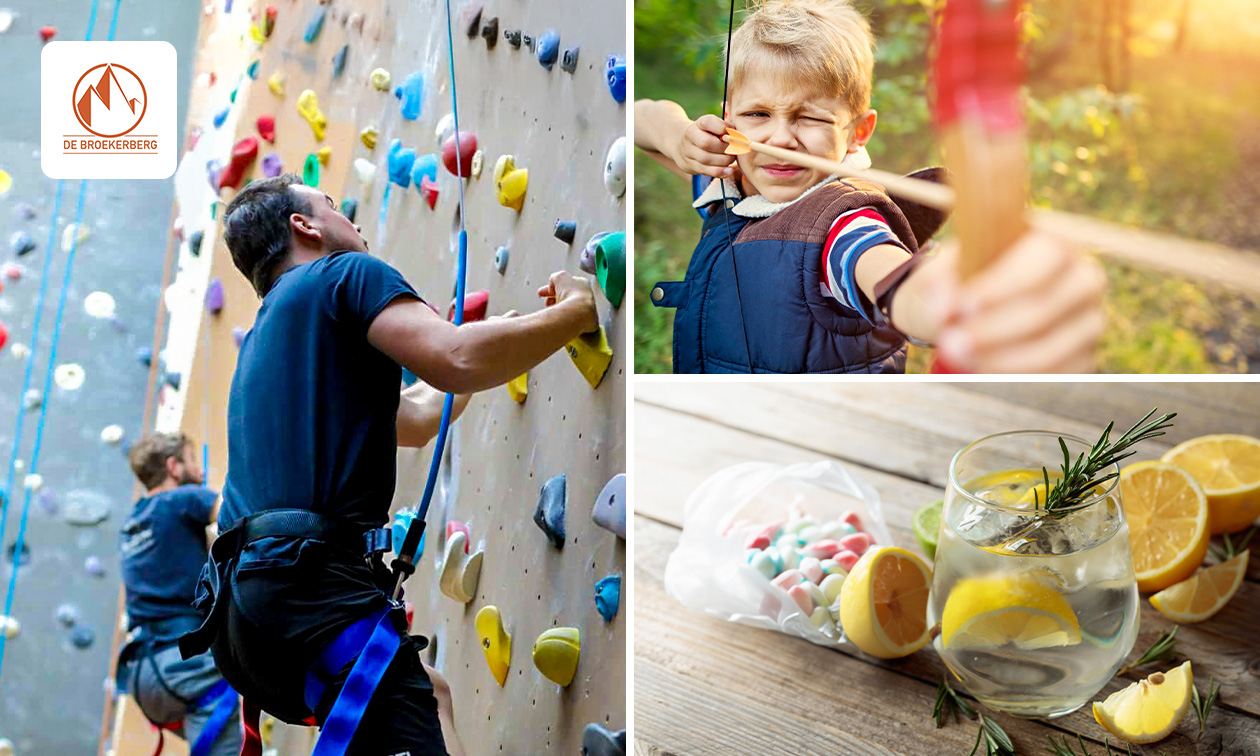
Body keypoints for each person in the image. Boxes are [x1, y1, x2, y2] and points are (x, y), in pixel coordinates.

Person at [178, 172, 599, 756]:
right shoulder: (342, 276)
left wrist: (504, 334)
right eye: (330, 205)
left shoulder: (270, 341)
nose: (350, 219)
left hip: (247, 629)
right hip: (307, 591)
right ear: (306, 225)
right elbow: (454, 360)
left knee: (432, 693)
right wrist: (578, 313)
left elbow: (420, 415)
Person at [634, 0, 1106, 374]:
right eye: (757, 115)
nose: (778, 139)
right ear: (730, 115)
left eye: (810, 117)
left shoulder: (843, 223)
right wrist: (679, 138)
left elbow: (898, 283)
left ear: (858, 132)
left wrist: (963, 306)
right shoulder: (733, 181)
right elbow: (640, 120)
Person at [117, 433, 241, 756]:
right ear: (174, 466)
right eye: (192, 459)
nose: (200, 471)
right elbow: (238, 514)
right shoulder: (182, 499)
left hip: (144, 677)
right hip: (183, 664)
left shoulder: (132, 525)